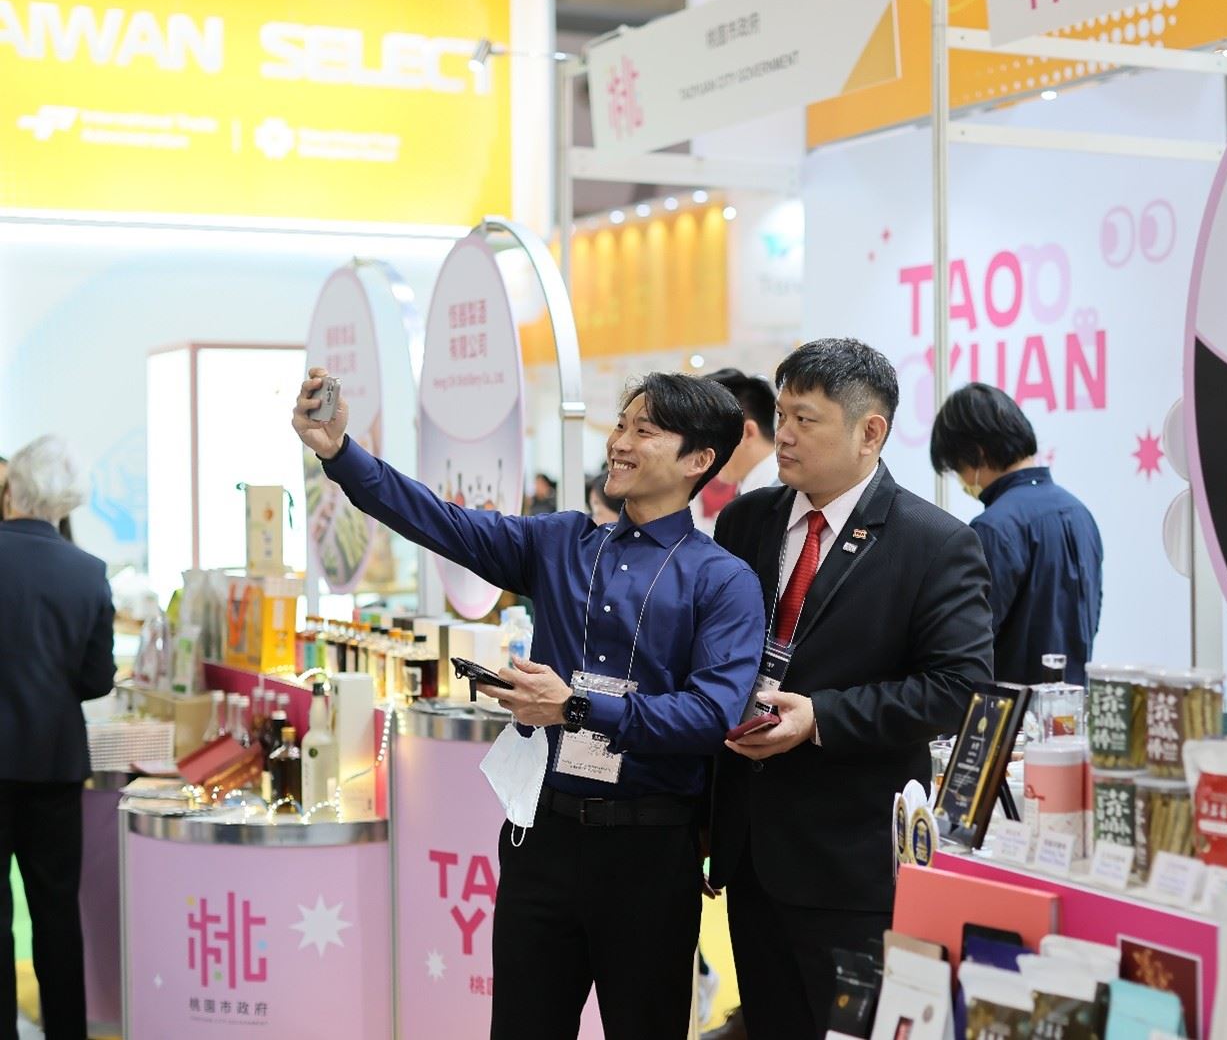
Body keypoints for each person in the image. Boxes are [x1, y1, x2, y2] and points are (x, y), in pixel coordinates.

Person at [293, 368, 764, 1040]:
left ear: (698, 460)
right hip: (541, 837)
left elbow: (710, 717)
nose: (619, 443)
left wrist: (576, 706)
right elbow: (439, 521)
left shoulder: (722, 580)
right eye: (620, 425)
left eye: (644, 430)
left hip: (651, 852)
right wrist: (341, 454)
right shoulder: (560, 544)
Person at [710, 339, 994, 1039]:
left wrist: (822, 718)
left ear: (871, 432)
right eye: (781, 415)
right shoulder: (745, 521)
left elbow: (958, 687)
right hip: (749, 845)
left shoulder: (934, 543)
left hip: (849, 859)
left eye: (805, 419)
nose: (783, 434)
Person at [0, 436, 115, 1040]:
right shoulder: (88, 573)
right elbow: (97, 681)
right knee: (55, 913)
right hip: (54, 764)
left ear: (12, 489)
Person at [930, 382, 1103, 686]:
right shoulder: (1079, 512)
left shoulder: (993, 527)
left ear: (977, 453)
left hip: (1010, 707)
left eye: (957, 467)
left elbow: (968, 642)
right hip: (1073, 702)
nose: (961, 479)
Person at [692, 368, 781, 534]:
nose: (700, 451)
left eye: (707, 436)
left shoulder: (784, 495)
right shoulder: (751, 495)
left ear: (747, 432)